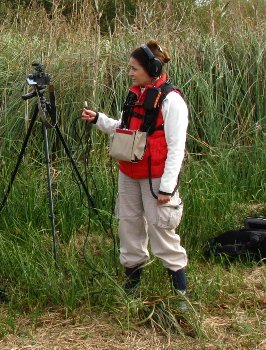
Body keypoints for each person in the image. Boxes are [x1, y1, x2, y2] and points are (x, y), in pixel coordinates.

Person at [81, 40, 189, 301]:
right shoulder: (135, 95)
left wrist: (167, 188)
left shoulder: (172, 101)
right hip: (129, 173)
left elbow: (176, 148)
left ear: (151, 68)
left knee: (162, 234)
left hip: (156, 179)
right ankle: (132, 291)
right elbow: (124, 127)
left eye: (134, 68)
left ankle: (180, 295)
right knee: (129, 230)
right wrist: (99, 120)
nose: (130, 73)